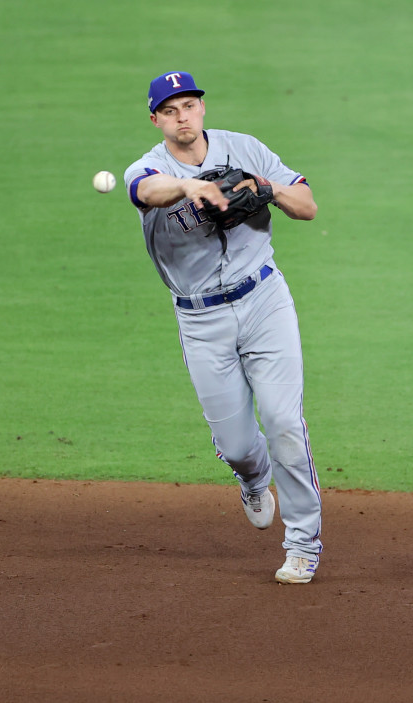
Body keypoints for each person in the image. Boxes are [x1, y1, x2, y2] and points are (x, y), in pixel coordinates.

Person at [122, 71, 323, 584]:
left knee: (283, 423)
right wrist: (191, 185)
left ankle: (303, 541)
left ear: (202, 109)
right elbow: (148, 190)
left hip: (264, 301)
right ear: (156, 119)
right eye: (170, 110)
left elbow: (308, 206)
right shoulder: (148, 167)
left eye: (188, 105)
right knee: (237, 445)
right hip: (201, 318)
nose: (182, 116)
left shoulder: (246, 149)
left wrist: (269, 188)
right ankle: (253, 478)